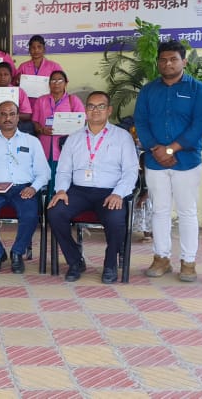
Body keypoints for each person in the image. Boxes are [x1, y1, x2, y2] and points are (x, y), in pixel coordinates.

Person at [133, 40, 202, 282]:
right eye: (163, 59)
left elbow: (199, 124)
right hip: (155, 161)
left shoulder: (198, 90)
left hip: (186, 161)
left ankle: (188, 262)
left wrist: (170, 150)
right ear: (158, 62)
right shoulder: (148, 91)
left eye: (173, 59)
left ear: (184, 62)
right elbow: (141, 122)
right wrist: (156, 149)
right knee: (160, 210)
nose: (168, 63)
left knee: (187, 212)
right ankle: (161, 258)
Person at [47, 92, 139, 284]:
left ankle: (110, 264)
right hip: (79, 191)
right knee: (55, 212)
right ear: (85, 110)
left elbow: (131, 171)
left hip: (110, 191)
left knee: (116, 219)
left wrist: (118, 194)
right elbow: (63, 170)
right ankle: (75, 261)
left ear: (109, 110)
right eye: (91, 106)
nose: (95, 110)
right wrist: (61, 190)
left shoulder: (122, 137)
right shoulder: (74, 138)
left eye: (101, 106)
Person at [0, 101, 50, 274]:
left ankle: (17, 252)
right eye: (3, 114)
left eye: (12, 114)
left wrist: (34, 188)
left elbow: (44, 172)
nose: (8, 118)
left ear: (18, 117)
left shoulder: (32, 141)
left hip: (23, 189)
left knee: (30, 215)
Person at [32, 70, 85, 194]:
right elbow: (34, 122)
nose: (56, 83)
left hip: (64, 145)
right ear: (49, 83)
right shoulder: (41, 100)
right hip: (44, 145)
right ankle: (44, 202)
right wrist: (42, 129)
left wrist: (69, 128)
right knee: (43, 176)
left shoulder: (73, 100)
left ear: (66, 83)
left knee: (62, 175)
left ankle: (59, 200)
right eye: (53, 80)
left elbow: (82, 122)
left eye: (60, 80)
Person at [0, 62, 32, 133]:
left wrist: (10, 114)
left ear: (11, 77)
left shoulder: (19, 92)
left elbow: (27, 115)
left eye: (6, 74)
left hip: (12, 131)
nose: (2, 77)